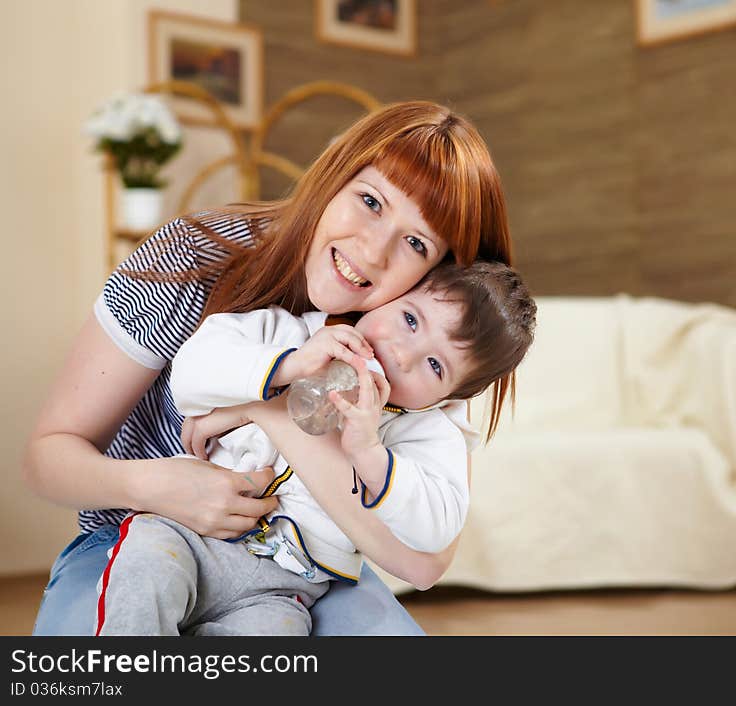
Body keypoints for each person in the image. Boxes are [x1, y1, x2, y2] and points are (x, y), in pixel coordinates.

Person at [24, 100, 516, 636]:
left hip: (298, 570)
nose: (373, 253)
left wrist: (270, 413)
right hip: (139, 528)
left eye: (416, 243)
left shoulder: (419, 348)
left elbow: (424, 564)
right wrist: (156, 486)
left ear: (437, 275)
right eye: (370, 201)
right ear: (333, 175)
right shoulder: (191, 259)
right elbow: (47, 457)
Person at [95, 261, 536, 635]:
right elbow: (191, 368)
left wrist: (370, 454)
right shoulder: (288, 330)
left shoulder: (425, 434)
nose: (402, 355)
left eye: (435, 366)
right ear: (392, 296)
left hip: (284, 586)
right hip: (188, 534)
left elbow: (436, 526)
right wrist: (289, 365)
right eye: (410, 319)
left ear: (448, 398)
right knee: (146, 576)